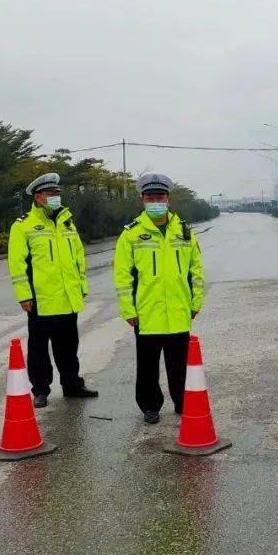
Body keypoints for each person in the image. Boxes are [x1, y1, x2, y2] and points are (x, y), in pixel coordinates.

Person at [114, 172, 205, 424]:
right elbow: (123, 275)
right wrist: (128, 309)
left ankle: (182, 401)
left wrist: (196, 301)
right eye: (150, 197)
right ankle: (150, 406)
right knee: (147, 366)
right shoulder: (131, 234)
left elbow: (195, 270)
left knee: (179, 364)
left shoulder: (184, 231)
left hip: (178, 309)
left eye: (160, 196)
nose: (156, 201)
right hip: (146, 311)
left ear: (168, 199)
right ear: (143, 200)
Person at [7, 172, 100, 408]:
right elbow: (17, 263)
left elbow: (78, 257)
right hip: (41, 299)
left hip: (68, 297)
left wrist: (82, 286)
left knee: (69, 346)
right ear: (38, 197)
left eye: (57, 194)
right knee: (39, 348)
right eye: (51, 194)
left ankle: (72, 385)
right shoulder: (24, 226)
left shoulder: (67, 222)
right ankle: (40, 389)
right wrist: (24, 295)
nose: (56, 197)